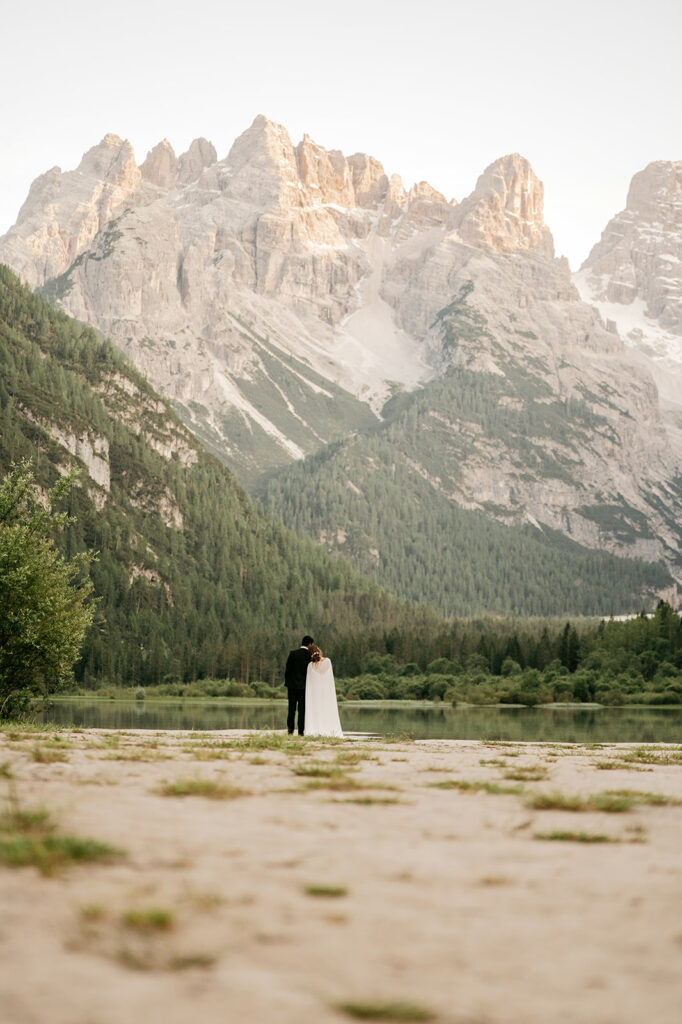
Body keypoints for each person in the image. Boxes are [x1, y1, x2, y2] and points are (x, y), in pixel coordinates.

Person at [304, 645, 343, 738]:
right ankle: (329, 729)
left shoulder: (310, 666)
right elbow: (330, 679)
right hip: (326, 694)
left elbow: (309, 683)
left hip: (315, 695)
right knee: (327, 711)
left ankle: (316, 729)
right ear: (319, 651)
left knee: (316, 711)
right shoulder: (327, 662)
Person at [284, 635, 314, 735]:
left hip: (292, 687)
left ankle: (290, 730)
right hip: (304, 688)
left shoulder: (293, 654)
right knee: (302, 710)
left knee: (291, 709)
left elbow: (287, 670)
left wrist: (288, 683)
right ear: (309, 644)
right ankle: (301, 731)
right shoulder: (309, 656)